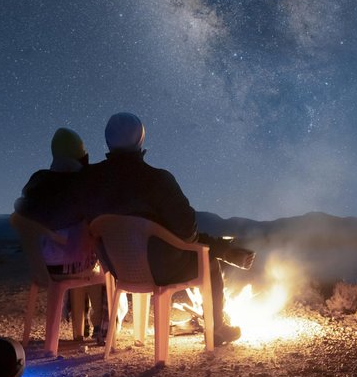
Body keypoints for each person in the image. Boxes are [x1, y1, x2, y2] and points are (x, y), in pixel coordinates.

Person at [84, 112, 251, 345]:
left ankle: (223, 251)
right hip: (160, 269)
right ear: (141, 140)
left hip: (117, 270)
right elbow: (187, 233)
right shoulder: (158, 180)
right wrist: (212, 247)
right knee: (209, 262)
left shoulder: (91, 180)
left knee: (202, 249)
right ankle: (217, 329)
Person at [15, 127, 107, 342]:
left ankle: (79, 328)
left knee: (80, 251)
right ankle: (101, 329)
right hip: (72, 266)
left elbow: (22, 208)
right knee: (103, 267)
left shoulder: (37, 180)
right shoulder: (84, 182)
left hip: (42, 266)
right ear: (81, 156)